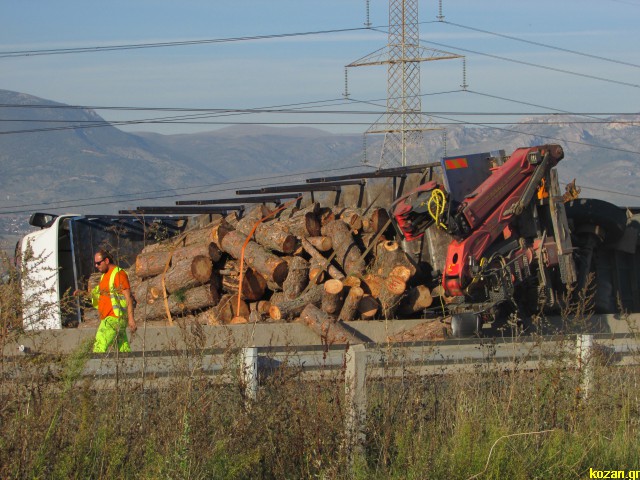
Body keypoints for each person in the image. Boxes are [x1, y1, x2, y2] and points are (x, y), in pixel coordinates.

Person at [75, 249, 136, 352]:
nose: (96, 266)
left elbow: (128, 298)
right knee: (123, 349)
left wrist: (131, 319)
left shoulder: (118, 274)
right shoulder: (104, 276)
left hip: (114, 318)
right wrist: (83, 293)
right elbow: (99, 295)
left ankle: (96, 367)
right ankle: (130, 366)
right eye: (95, 263)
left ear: (106, 261)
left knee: (100, 343)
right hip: (110, 318)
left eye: (98, 263)